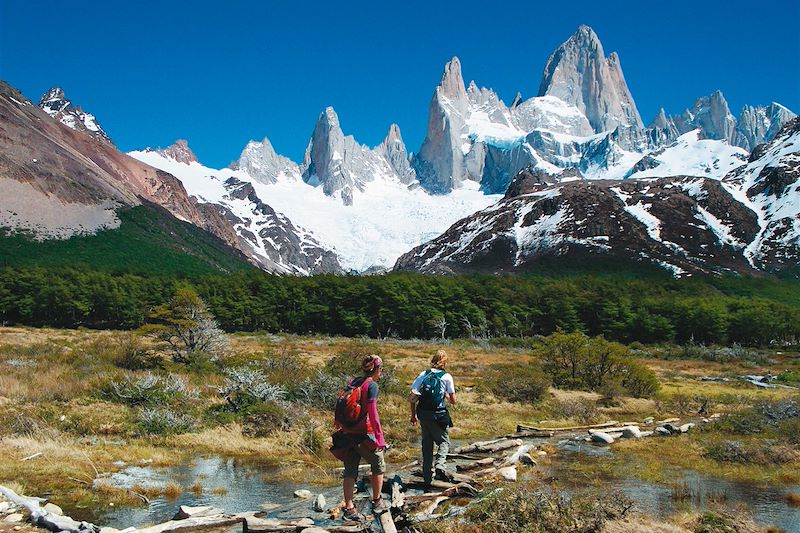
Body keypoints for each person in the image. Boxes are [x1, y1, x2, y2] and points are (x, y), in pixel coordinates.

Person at [330, 354, 389, 520]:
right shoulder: (372, 386)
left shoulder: (353, 382)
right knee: (378, 463)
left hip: (347, 433)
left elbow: (341, 402)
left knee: (350, 471)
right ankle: (377, 502)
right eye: (381, 369)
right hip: (363, 433)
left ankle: (349, 508)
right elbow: (373, 413)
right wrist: (380, 438)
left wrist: (338, 421)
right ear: (378, 369)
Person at [409, 349, 456, 486]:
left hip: (423, 414)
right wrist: (446, 395)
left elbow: (412, 397)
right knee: (444, 442)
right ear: (445, 362)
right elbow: (453, 401)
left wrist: (413, 416)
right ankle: (440, 466)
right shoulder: (446, 377)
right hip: (438, 415)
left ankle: (427, 480)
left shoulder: (423, 375)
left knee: (427, 446)